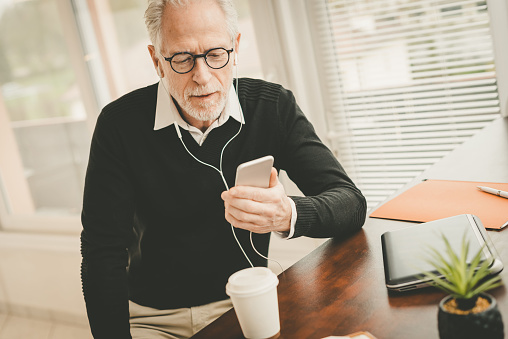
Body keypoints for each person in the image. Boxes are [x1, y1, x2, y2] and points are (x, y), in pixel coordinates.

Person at [80, 0, 367, 338]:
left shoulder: (272, 107)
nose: (202, 77)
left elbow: (351, 203)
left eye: (216, 54)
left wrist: (286, 213)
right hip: (152, 318)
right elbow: (102, 252)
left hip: (246, 303)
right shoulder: (119, 126)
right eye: (183, 59)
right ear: (157, 61)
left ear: (236, 48)